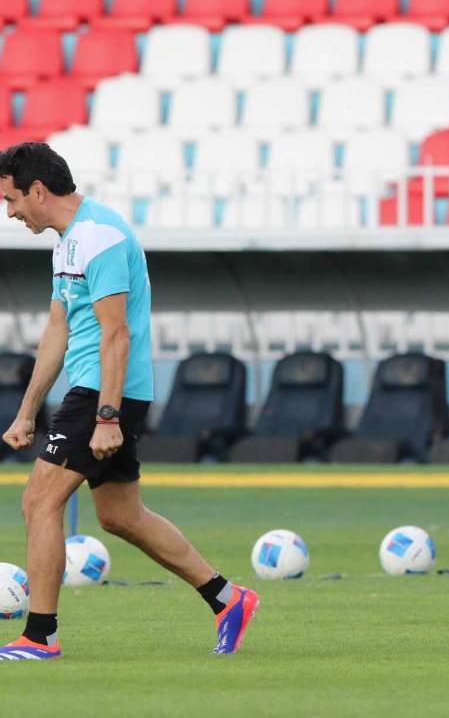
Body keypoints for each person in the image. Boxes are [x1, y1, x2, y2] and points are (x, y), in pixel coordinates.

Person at [0, 143, 258, 662]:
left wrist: (107, 417)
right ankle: (229, 599)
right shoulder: (69, 242)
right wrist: (28, 411)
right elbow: (58, 331)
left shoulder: (101, 237)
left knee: (39, 501)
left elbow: (116, 335)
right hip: (92, 390)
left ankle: (40, 635)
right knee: (120, 516)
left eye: (11, 200)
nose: (10, 213)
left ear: (38, 190)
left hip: (104, 393)